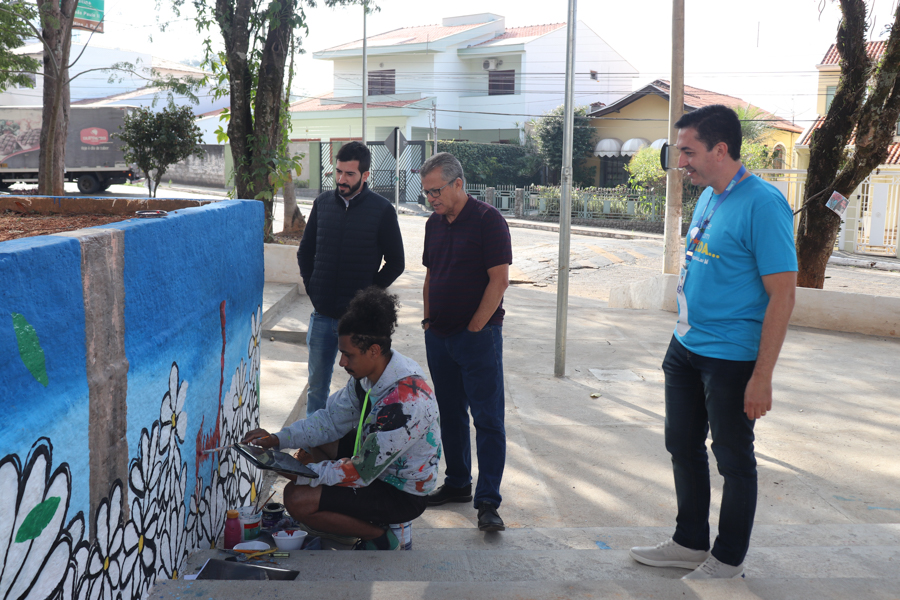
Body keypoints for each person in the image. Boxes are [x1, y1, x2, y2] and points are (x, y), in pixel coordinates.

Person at [629, 105, 797, 579]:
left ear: (720, 150)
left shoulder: (763, 204)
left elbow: (783, 295)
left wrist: (762, 376)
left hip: (731, 357)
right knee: (682, 444)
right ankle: (689, 542)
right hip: (685, 346)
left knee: (733, 458)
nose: (680, 160)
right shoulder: (708, 196)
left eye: (688, 151)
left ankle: (727, 558)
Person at [242, 286, 441, 550]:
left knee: (297, 498)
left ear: (373, 350)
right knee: (315, 444)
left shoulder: (405, 403)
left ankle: (381, 537)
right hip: (376, 469)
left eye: (349, 355)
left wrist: (298, 473)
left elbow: (359, 472)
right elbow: (328, 422)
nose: (342, 363)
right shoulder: (369, 376)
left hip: (401, 492)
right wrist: (277, 439)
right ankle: (353, 520)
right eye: (342, 353)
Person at [419, 152, 512, 532]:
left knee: (487, 419)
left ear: (459, 184)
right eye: (426, 193)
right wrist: (427, 319)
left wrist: (476, 327)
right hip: (438, 336)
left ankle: (488, 501)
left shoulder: (489, 221)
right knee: (450, 413)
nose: (431, 198)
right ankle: (458, 482)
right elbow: (430, 275)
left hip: (478, 339)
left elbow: (499, 280)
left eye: (436, 190)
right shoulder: (433, 224)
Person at [298, 141, 405, 416]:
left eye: (350, 174)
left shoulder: (382, 210)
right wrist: (314, 290)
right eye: (339, 172)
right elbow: (305, 252)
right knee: (316, 387)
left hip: (359, 322)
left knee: (360, 391)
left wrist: (367, 297)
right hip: (322, 317)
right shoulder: (322, 204)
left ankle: (353, 452)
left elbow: (397, 262)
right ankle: (311, 447)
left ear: (366, 175)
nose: (342, 180)